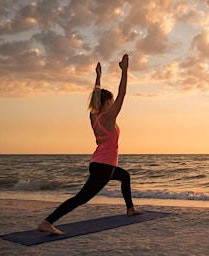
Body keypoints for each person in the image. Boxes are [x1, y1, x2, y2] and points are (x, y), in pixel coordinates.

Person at [38, 54, 143, 235]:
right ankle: (47, 222)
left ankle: (130, 208)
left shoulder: (93, 117)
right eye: (110, 101)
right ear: (107, 103)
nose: (113, 103)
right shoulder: (109, 118)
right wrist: (125, 71)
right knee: (82, 198)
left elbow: (97, 95)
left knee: (125, 176)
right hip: (103, 166)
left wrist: (98, 78)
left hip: (99, 163)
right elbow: (123, 93)